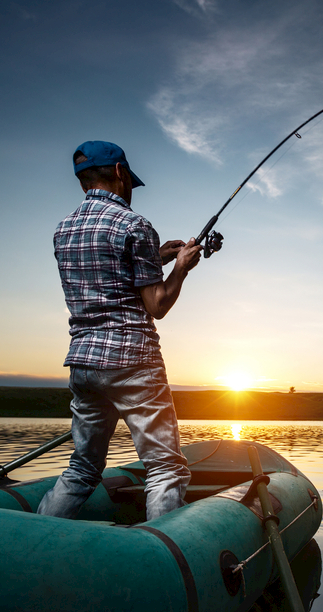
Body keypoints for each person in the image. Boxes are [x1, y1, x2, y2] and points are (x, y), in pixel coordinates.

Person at [37, 140, 202, 521]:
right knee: (165, 467)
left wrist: (154, 255)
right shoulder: (134, 224)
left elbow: (103, 272)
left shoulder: (63, 231)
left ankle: (35, 537)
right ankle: (163, 559)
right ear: (118, 173)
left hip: (83, 362)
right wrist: (180, 268)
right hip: (132, 361)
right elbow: (157, 305)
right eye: (129, 179)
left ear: (82, 181)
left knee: (82, 469)